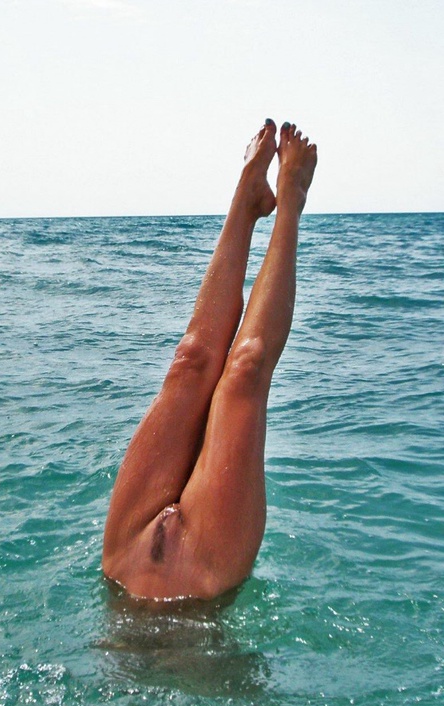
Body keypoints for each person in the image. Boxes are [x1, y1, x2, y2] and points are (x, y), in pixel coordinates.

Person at [102, 119, 317, 601]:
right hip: (205, 580)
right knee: (246, 371)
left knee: (190, 360)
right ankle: (291, 200)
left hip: (122, 563)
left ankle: (248, 196)